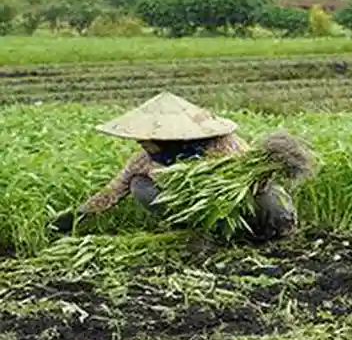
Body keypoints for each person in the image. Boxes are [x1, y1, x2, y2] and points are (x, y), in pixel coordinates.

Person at [52, 92, 297, 239]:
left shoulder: (222, 145)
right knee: (139, 184)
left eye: (146, 137)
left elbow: (254, 180)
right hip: (200, 214)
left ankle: (261, 232)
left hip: (243, 207)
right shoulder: (143, 161)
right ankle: (197, 233)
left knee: (270, 204)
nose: (140, 141)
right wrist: (76, 216)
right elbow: (111, 192)